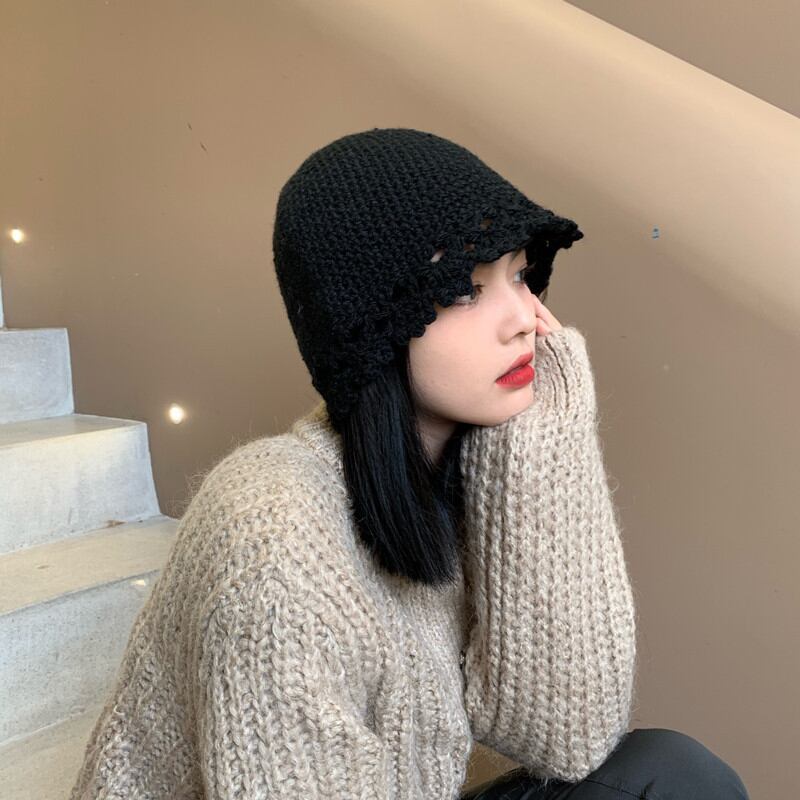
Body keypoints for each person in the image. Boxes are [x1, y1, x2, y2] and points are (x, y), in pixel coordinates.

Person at [68, 128, 750, 799]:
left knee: (675, 772)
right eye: (465, 289)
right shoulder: (274, 541)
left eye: (519, 276)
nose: (524, 318)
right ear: (375, 327)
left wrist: (548, 445)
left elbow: (568, 737)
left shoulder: (467, 462)